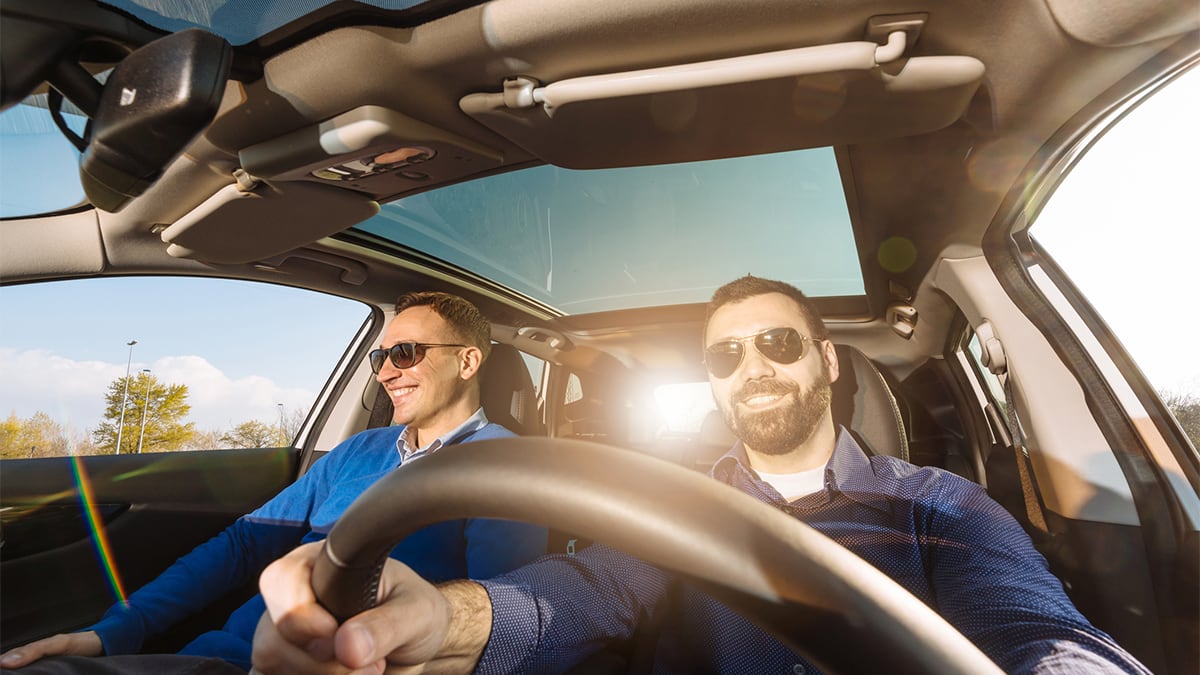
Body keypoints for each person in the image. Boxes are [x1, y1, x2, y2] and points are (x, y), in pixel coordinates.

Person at [249, 276, 1151, 674]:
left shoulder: (941, 505)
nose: (752, 366)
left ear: (827, 362)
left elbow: (1037, 629)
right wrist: (442, 618)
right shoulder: (674, 506)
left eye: (778, 342)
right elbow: (582, 592)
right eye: (724, 355)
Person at [0, 291, 548, 673]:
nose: (384, 371)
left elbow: (499, 617)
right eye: (381, 356)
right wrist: (115, 630)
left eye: (404, 353)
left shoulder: (502, 465)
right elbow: (244, 542)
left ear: (468, 361)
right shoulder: (359, 450)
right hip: (219, 656)